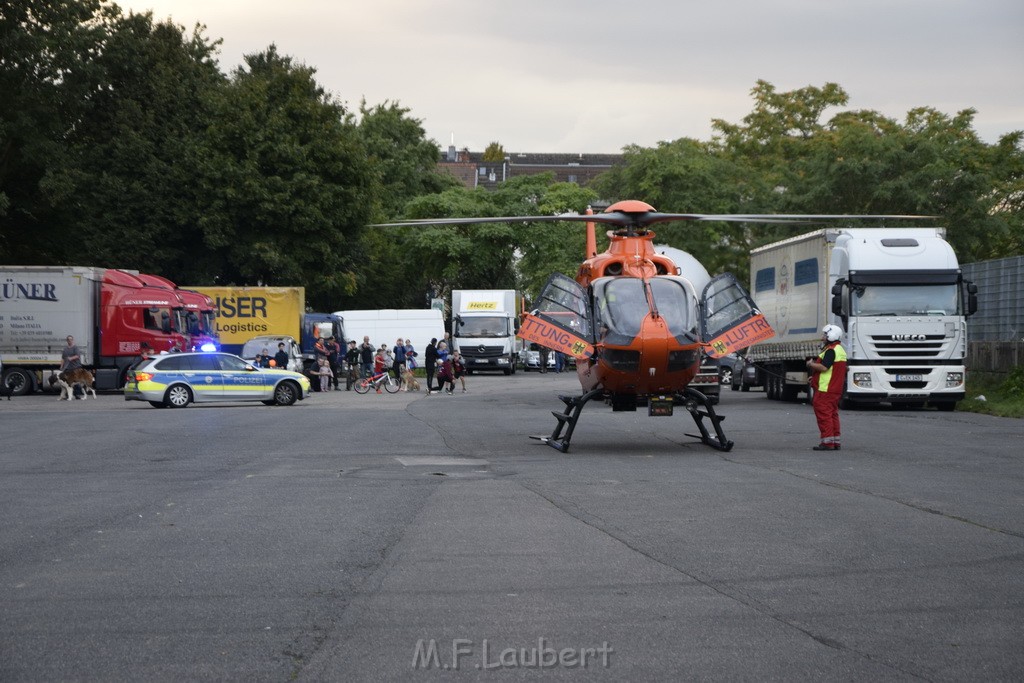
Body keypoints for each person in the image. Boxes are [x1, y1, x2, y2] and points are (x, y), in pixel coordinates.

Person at [806, 324, 848, 451]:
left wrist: (811, 364)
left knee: (824, 415)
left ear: (831, 335)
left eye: (824, 334)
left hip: (825, 390)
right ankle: (835, 441)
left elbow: (824, 367)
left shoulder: (830, 351)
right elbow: (835, 370)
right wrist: (814, 378)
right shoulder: (839, 349)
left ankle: (827, 442)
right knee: (832, 414)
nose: (822, 337)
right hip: (834, 389)